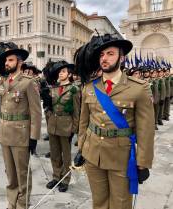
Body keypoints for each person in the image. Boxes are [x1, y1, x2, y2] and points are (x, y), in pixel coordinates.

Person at [74, 34, 155, 209]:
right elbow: (83, 122)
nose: (104, 58)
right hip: (93, 154)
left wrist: (143, 161)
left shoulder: (139, 88)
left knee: (120, 204)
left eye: (110, 54)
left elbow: (146, 130)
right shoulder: (89, 87)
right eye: (102, 55)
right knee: (99, 202)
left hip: (122, 157)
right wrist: (81, 147)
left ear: (122, 57)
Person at [0, 42, 42, 209]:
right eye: (6, 60)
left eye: (10, 60)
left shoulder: (29, 82)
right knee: (10, 173)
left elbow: (36, 112)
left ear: (20, 62)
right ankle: (11, 202)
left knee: (22, 173)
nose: (7, 63)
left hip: (21, 135)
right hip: (5, 133)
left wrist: (33, 137)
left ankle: (22, 203)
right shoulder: (4, 82)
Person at [45, 61, 80, 192]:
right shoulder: (53, 88)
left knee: (66, 155)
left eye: (64, 71)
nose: (61, 73)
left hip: (66, 125)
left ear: (69, 74)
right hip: (53, 124)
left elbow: (77, 111)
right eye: (59, 71)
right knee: (54, 153)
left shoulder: (74, 89)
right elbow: (49, 107)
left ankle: (65, 179)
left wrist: (74, 129)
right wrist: (48, 110)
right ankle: (56, 176)